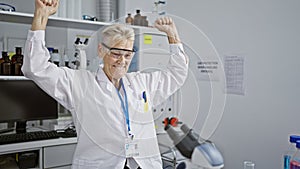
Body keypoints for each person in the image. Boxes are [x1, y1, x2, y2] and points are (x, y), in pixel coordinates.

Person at [22, 0, 189, 168]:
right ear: (101, 50)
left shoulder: (140, 82)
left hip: (142, 164)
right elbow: (36, 67)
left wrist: (172, 36)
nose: (122, 61)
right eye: (116, 53)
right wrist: (40, 16)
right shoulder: (79, 83)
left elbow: (177, 73)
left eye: (128, 54)